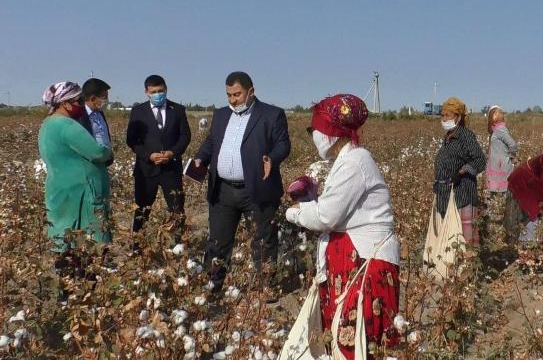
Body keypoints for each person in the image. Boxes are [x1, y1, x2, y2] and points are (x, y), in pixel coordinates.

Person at [285, 94, 400, 359]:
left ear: (331, 131)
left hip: (364, 262)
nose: (313, 134)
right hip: (352, 259)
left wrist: (296, 213)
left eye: (315, 129)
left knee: (357, 339)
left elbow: (327, 217)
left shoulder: (355, 162)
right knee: (347, 336)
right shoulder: (348, 161)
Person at [194, 71, 290, 292]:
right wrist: (200, 158)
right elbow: (211, 142)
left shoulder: (271, 115)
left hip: (257, 188)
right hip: (223, 191)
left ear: (251, 92)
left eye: (237, 94)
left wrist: (272, 158)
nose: (232, 100)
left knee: (263, 239)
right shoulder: (220, 115)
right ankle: (213, 285)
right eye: (228, 95)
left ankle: (265, 288)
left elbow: (283, 144)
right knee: (218, 241)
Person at [38, 82, 113, 251]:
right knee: (91, 238)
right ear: (64, 103)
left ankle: (66, 274)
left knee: (63, 233)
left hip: (60, 188)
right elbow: (97, 152)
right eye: (78, 101)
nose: (81, 104)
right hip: (81, 191)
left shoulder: (47, 125)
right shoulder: (67, 125)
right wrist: (108, 152)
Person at [126, 75, 191, 243]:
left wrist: (172, 153)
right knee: (142, 210)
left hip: (171, 169)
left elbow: (185, 136)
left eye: (160, 91)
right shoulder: (138, 111)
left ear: (166, 89)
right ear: (146, 92)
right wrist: (149, 155)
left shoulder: (177, 110)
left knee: (177, 208)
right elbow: (132, 140)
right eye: (153, 92)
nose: (157, 94)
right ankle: (137, 247)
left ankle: (179, 245)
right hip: (146, 170)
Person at [433, 97, 486, 246]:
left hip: (462, 193)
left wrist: (462, 171)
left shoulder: (465, 135)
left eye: (447, 115)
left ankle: (466, 267)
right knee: (449, 237)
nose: (443, 119)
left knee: (464, 238)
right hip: (445, 193)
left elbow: (480, 160)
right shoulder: (448, 137)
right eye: (442, 115)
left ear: (458, 117)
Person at [485, 106, 517, 196]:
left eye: (498, 113)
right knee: (497, 193)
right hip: (496, 164)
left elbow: (513, 145)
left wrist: (510, 157)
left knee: (500, 192)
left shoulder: (500, 129)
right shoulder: (497, 129)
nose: (497, 115)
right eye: (494, 113)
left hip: (500, 165)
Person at [79, 78, 113, 162]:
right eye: (104, 97)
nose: (107, 101)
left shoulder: (100, 113)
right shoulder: (79, 117)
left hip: (103, 162)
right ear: (93, 99)